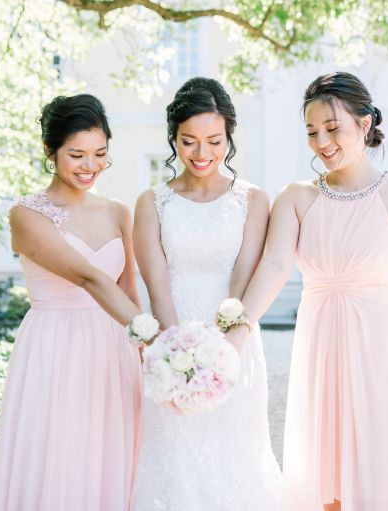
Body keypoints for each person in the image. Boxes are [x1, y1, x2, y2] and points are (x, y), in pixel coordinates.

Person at [224, 72, 388, 510]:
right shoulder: (296, 198)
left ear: (364, 125)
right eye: (312, 132)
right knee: (324, 476)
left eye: (333, 128)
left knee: (383, 468)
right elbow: (272, 267)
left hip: (383, 350)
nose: (322, 142)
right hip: (321, 349)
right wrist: (234, 335)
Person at [0, 94, 144, 511]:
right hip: (55, 348)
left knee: (112, 451)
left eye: (100, 154)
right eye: (76, 154)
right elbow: (89, 277)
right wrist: (158, 337)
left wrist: (149, 354)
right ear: (49, 151)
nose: (90, 166)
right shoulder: (26, 214)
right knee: (58, 454)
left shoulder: (118, 212)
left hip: (114, 347)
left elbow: (129, 289)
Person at [131, 77, 282, 510]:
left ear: (229, 137)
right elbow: (156, 281)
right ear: (173, 138)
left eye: (214, 141)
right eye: (189, 141)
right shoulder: (151, 202)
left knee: (236, 450)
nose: (202, 154)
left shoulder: (252, 199)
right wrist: (177, 352)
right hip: (170, 339)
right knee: (175, 452)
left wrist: (220, 349)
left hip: (233, 338)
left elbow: (244, 277)